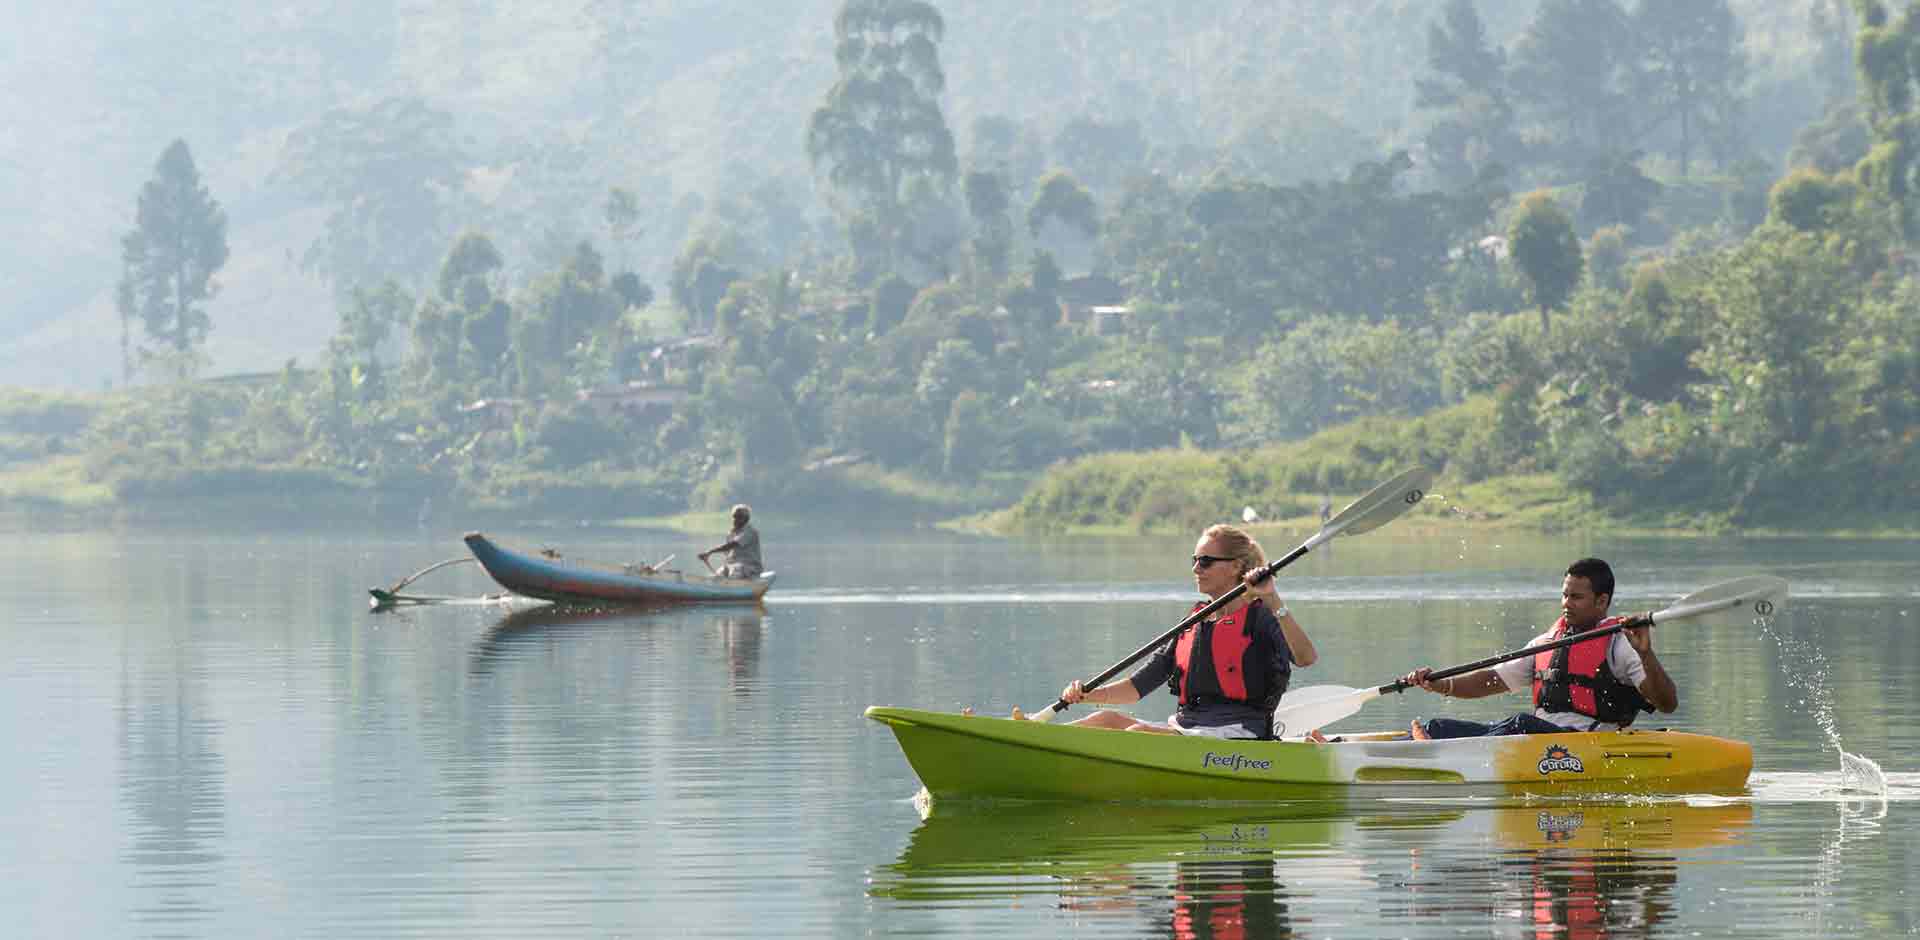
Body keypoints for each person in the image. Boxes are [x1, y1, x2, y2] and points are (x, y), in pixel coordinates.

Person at [1058, 524, 1318, 740]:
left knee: (1139, 733)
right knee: (1103, 720)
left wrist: (1273, 599)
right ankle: (1037, 735)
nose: (1196, 569)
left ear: (1236, 566)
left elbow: (1306, 658)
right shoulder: (1193, 623)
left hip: (1239, 734)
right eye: (1195, 560)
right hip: (1188, 729)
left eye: (1205, 562)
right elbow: (1137, 687)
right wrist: (1087, 695)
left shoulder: (1261, 617)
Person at [1403, 557, 1677, 740]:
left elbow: (1667, 704)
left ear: (1602, 601)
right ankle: (1422, 743)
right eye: (1565, 595)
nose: (1566, 603)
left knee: (1522, 724)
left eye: (1577, 597)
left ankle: (1442, 751)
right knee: (1439, 726)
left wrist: (1645, 653)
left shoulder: (1620, 644)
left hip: (1585, 746)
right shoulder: (1547, 642)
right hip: (1535, 744)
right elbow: (1491, 680)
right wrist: (1439, 684)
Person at [698, 504, 764, 579]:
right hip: (732, 566)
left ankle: (730, 584)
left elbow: (732, 544)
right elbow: (727, 552)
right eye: (734, 516)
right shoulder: (731, 533)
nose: (735, 519)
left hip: (750, 568)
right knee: (717, 576)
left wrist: (709, 552)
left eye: (739, 517)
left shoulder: (750, 531)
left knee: (735, 570)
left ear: (746, 519)